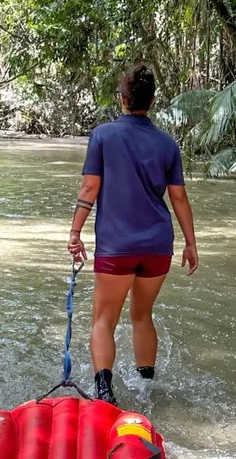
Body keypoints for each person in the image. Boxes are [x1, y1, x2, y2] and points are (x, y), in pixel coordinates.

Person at [68, 65, 198, 405]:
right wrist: (191, 243)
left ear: (122, 100)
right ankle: (146, 390)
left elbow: (90, 187)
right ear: (151, 101)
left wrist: (75, 231)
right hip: (157, 244)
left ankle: (104, 394)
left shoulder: (103, 136)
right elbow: (179, 197)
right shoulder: (167, 143)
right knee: (142, 315)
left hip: (117, 246)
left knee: (103, 319)